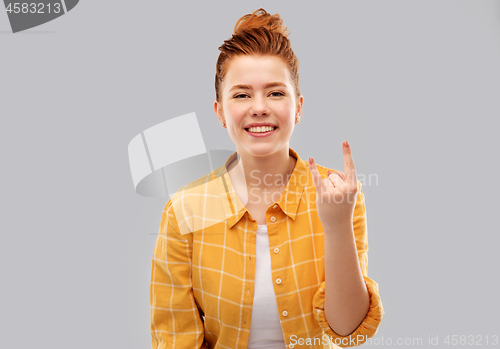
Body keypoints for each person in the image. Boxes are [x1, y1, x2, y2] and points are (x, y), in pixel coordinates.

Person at [150, 8, 384, 349]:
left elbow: (349, 331)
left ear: (298, 107)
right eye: (242, 94)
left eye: (275, 92)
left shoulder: (340, 194)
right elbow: (175, 340)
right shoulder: (184, 210)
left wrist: (336, 225)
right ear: (220, 112)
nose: (259, 107)